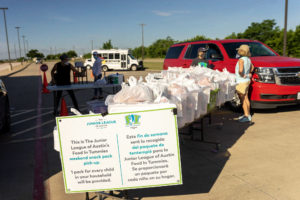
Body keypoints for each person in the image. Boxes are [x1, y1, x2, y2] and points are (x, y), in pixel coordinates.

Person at [235, 44, 254, 122]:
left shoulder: (241, 60)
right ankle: (248, 114)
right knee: (246, 98)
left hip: (241, 81)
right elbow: (252, 68)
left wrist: (243, 75)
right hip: (247, 81)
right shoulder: (248, 59)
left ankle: (246, 116)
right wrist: (248, 74)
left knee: (243, 99)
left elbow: (240, 70)